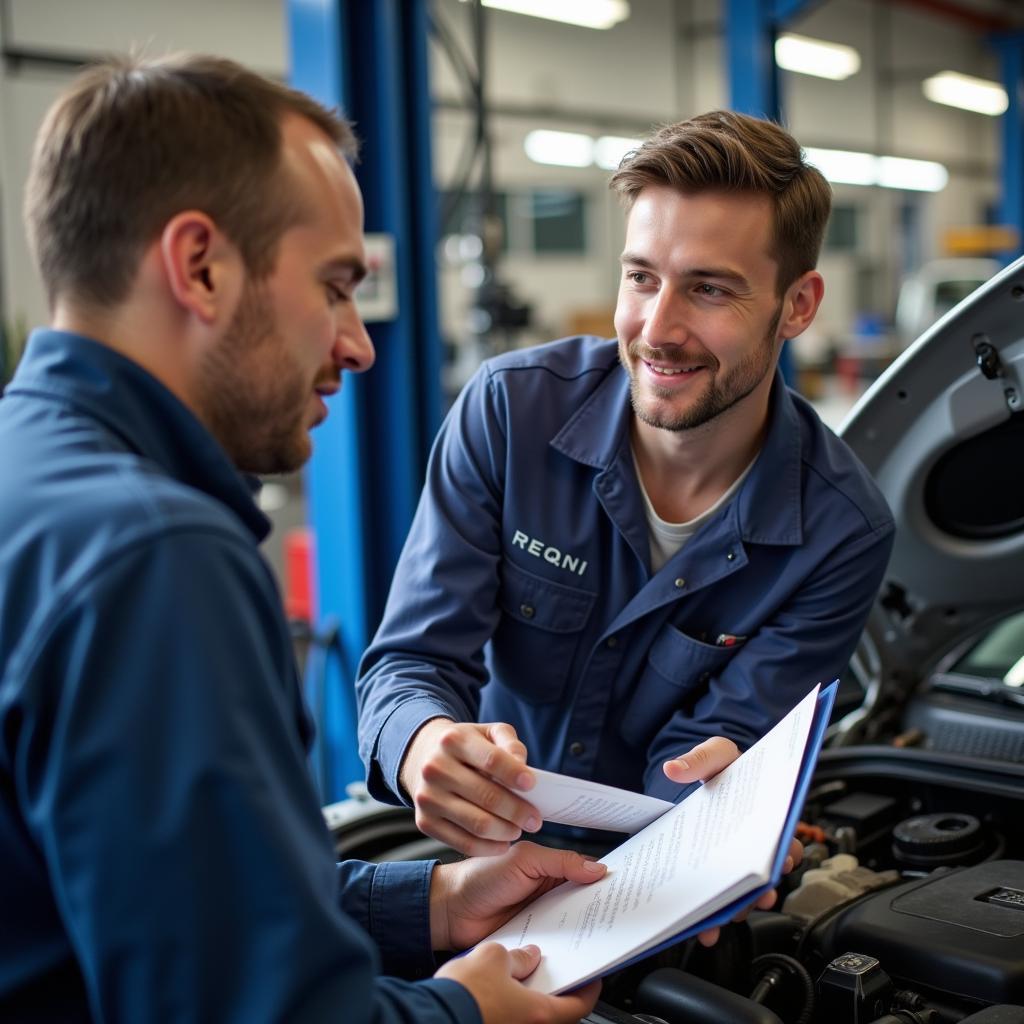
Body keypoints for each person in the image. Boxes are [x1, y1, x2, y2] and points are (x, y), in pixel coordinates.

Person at [0, 52, 623, 1024]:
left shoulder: (28, 474)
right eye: (335, 285)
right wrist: (462, 1014)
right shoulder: (153, 555)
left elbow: (171, 901)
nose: (359, 340)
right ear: (200, 266)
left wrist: (433, 900)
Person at [357, 111, 896, 857]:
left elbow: (713, 750)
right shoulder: (511, 413)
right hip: (482, 847)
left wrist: (724, 805)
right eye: (641, 277)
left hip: (656, 872)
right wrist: (424, 743)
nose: (658, 329)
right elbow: (410, 660)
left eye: (709, 290)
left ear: (798, 306)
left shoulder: (839, 533)